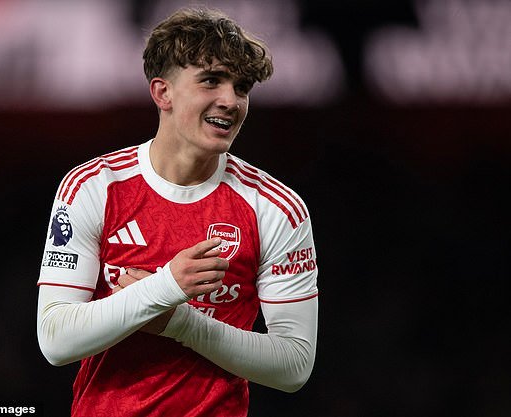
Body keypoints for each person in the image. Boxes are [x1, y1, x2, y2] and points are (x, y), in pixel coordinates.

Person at [37, 7, 318, 417]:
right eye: (211, 80)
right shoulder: (94, 187)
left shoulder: (276, 207)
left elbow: (294, 365)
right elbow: (55, 341)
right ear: (162, 92)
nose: (231, 101)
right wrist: (165, 287)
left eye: (241, 87)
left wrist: (178, 321)